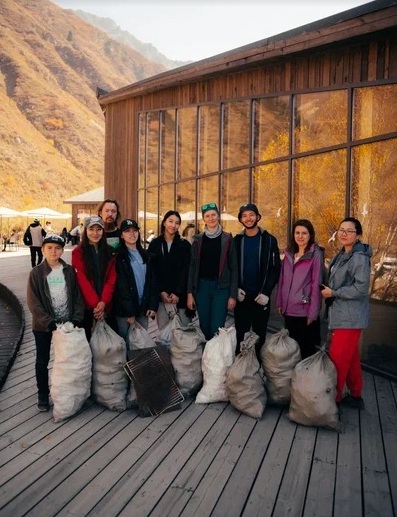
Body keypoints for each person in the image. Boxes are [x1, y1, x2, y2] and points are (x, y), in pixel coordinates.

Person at [26, 234, 85, 411]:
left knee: (68, 358)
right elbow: (33, 302)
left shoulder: (69, 271)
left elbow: (77, 296)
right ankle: (43, 394)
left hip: (67, 324)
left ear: (62, 250)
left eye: (57, 248)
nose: (53, 251)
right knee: (42, 360)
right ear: (43, 250)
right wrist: (47, 322)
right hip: (44, 326)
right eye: (49, 247)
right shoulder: (36, 273)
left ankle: (70, 392)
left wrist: (76, 317)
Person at [321, 217, 372, 410]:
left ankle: (333, 401)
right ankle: (356, 394)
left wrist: (333, 293)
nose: (344, 233)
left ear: (358, 235)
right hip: (341, 314)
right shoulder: (342, 254)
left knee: (338, 359)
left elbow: (360, 289)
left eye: (349, 231)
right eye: (341, 230)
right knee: (350, 357)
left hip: (350, 317)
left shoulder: (359, 258)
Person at [234, 203, 281, 359]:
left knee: (259, 334)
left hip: (261, 297)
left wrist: (266, 292)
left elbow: (275, 268)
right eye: (244, 215)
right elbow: (231, 267)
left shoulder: (269, 240)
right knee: (241, 334)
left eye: (251, 215)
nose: (248, 218)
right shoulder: (237, 240)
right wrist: (235, 289)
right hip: (242, 297)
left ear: (258, 217)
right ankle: (241, 370)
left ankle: (256, 369)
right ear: (240, 219)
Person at [187, 202, 238, 341]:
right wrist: (190, 293)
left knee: (217, 327)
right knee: (204, 326)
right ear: (204, 219)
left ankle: (215, 359)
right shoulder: (197, 240)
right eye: (207, 216)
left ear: (218, 216)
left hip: (221, 289)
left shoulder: (228, 239)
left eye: (213, 215)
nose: (211, 218)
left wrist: (232, 295)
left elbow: (234, 268)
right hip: (202, 288)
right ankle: (206, 357)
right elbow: (192, 267)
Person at [276, 219, 323, 359]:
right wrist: (280, 302)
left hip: (304, 312)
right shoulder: (289, 253)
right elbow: (282, 279)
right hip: (288, 310)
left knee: (305, 351)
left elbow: (316, 284)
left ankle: (304, 380)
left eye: (304, 233)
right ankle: (293, 379)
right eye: (297, 233)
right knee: (291, 351)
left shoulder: (316, 255)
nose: (300, 236)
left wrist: (313, 313)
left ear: (310, 235)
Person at [71, 215, 117, 341]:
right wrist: (96, 304)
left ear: (103, 231)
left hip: (106, 305)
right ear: (85, 231)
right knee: (87, 343)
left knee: (110, 344)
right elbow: (82, 279)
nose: (95, 233)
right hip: (87, 306)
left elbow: (111, 279)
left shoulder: (111, 252)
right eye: (91, 229)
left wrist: (103, 302)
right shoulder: (78, 253)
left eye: (99, 229)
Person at [113, 219, 158, 340]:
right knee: (125, 343)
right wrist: (130, 312)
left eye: (134, 230)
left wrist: (153, 305)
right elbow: (121, 287)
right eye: (127, 231)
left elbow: (152, 282)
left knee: (141, 343)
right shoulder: (119, 257)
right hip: (125, 311)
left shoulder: (147, 255)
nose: (132, 234)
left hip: (143, 308)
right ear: (122, 235)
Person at [148, 210, 192, 330]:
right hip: (162, 297)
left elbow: (186, 271)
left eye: (177, 223)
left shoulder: (185, 245)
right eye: (170, 221)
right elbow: (152, 271)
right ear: (164, 223)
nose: (173, 225)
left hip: (180, 296)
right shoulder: (155, 244)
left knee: (183, 331)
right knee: (164, 332)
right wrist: (161, 291)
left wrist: (177, 292)